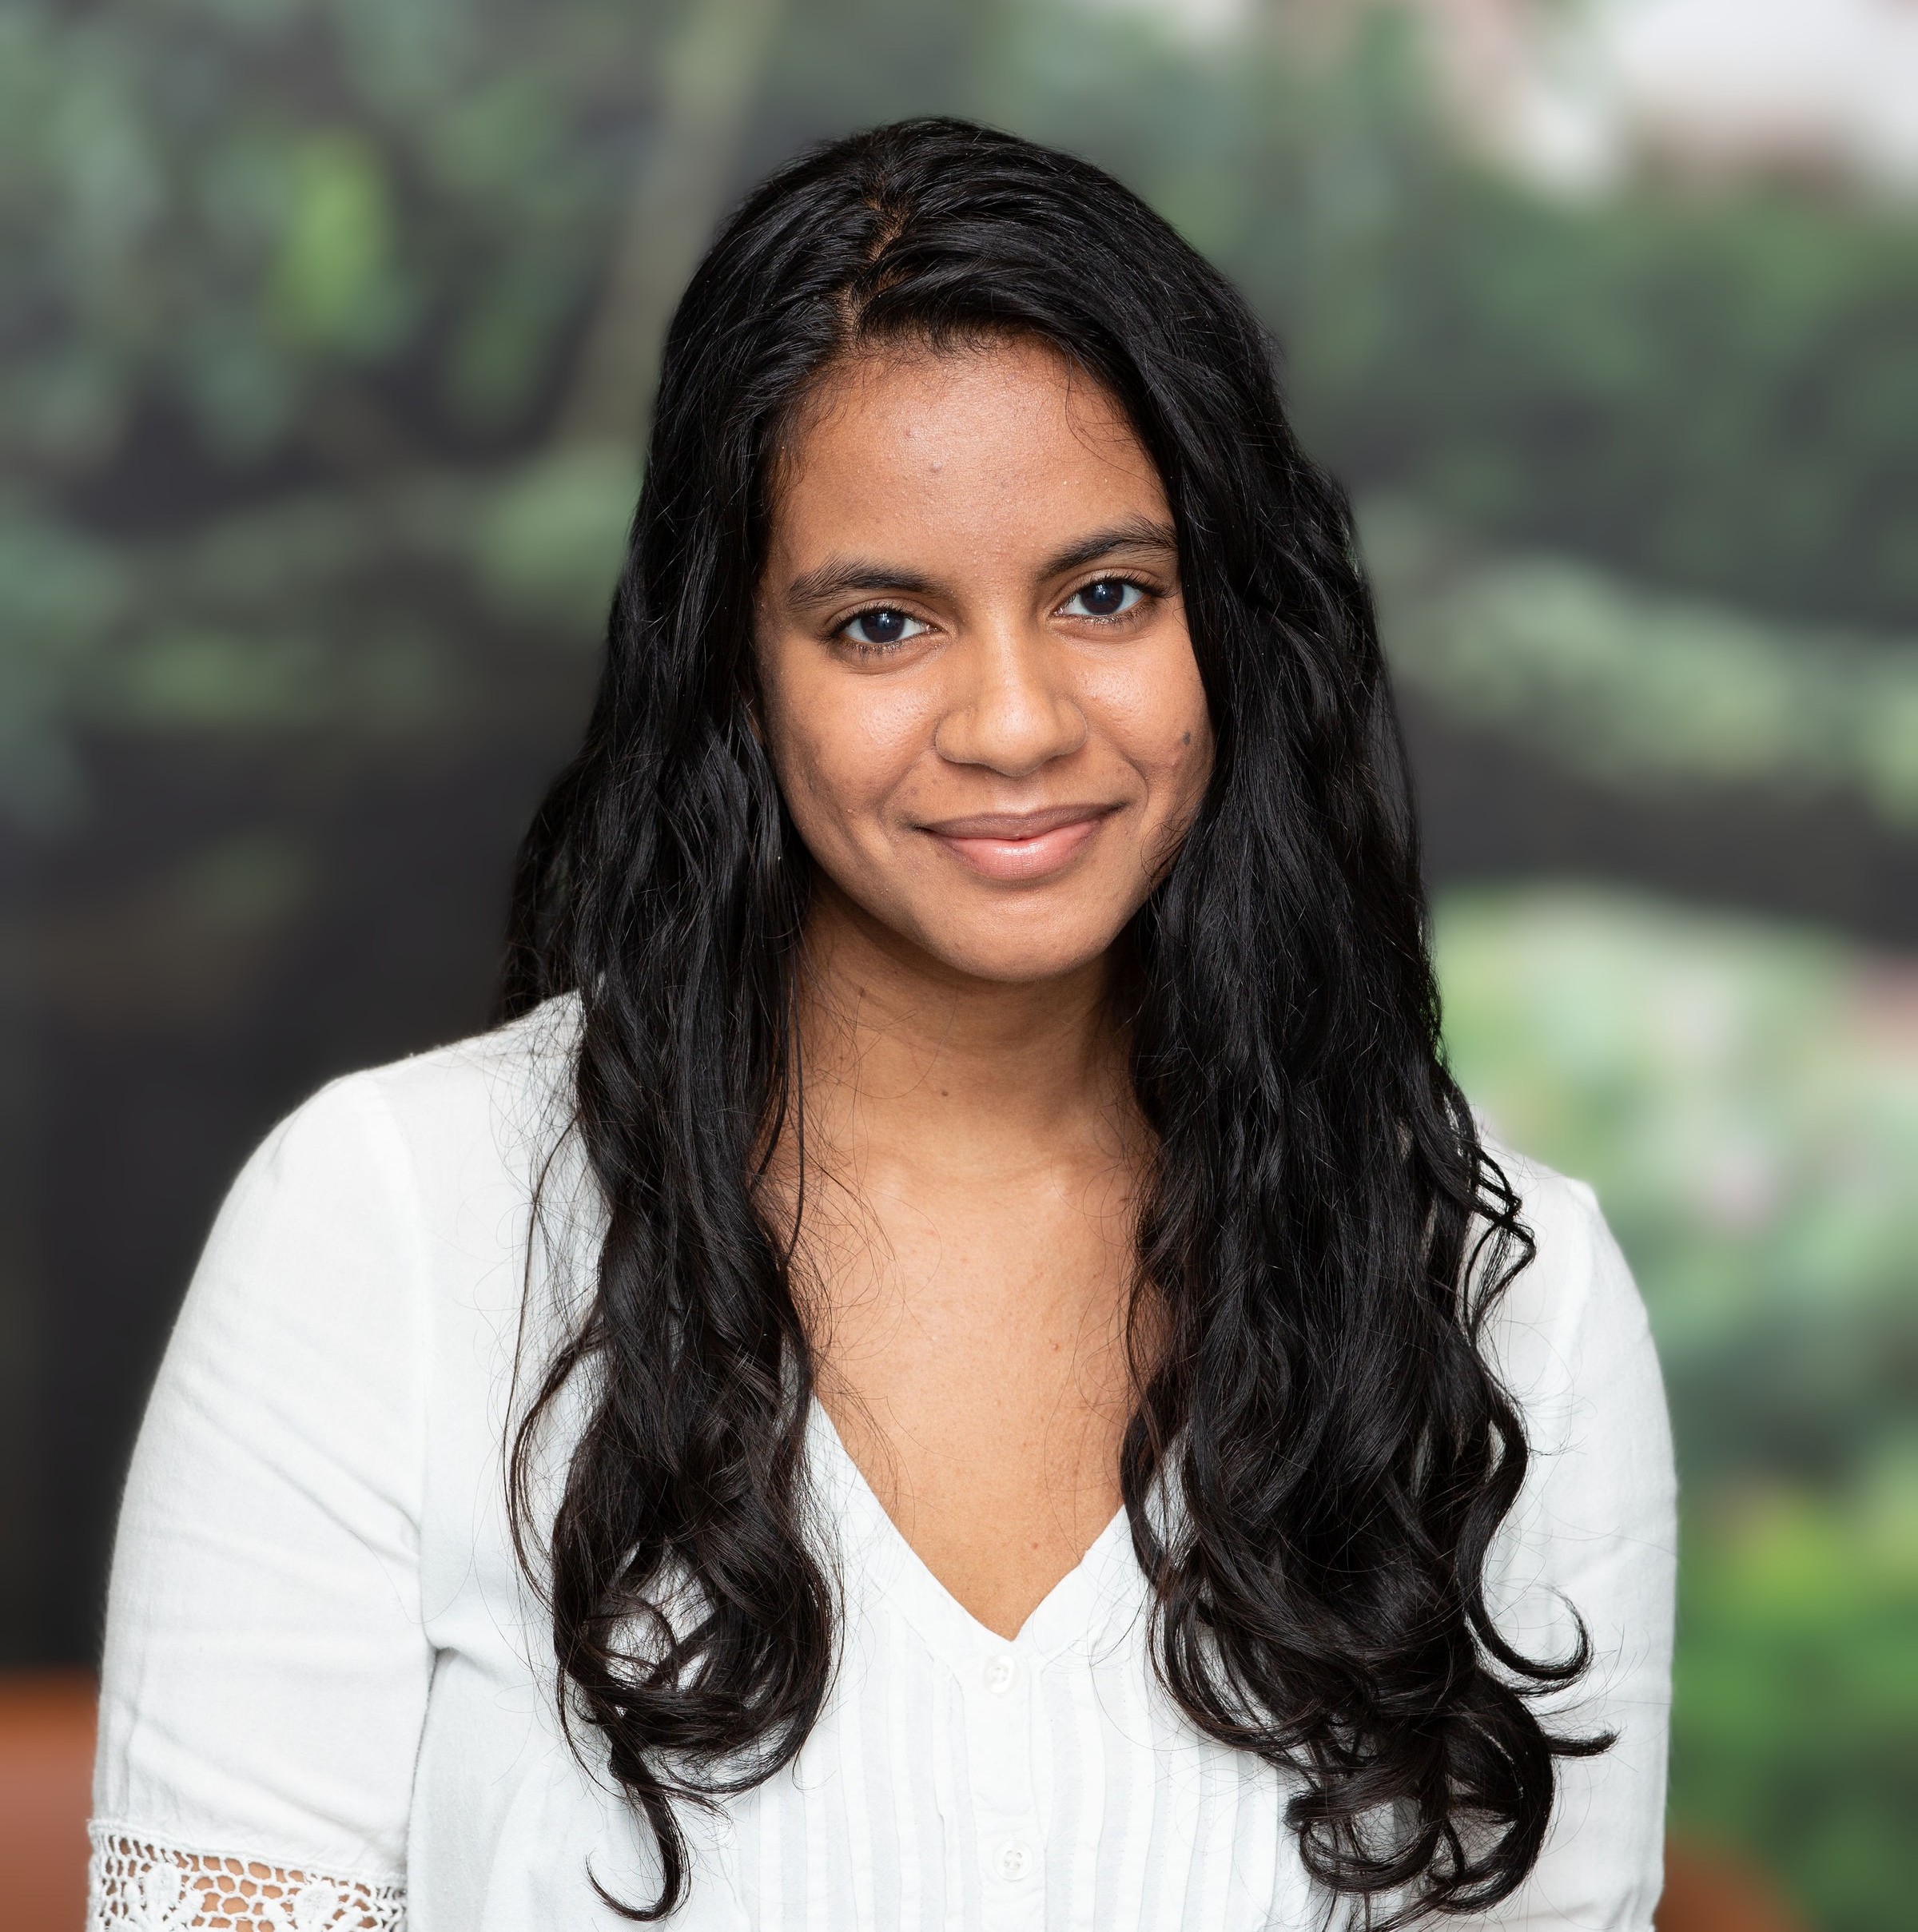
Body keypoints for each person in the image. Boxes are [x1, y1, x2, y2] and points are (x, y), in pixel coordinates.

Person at [88, 119, 1675, 1930]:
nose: (1014, 721)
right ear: (736, 672)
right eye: (879, 624)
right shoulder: (383, 1229)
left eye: (1105, 596)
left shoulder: (1510, 1304)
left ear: (1231, 624)